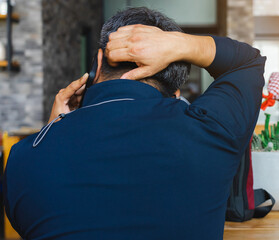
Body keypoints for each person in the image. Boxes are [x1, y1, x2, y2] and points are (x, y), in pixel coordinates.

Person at [4, 7, 265, 240]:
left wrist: (52, 131)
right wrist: (181, 45)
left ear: (96, 63)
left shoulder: (22, 159)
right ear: (177, 86)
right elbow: (247, 63)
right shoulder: (210, 133)